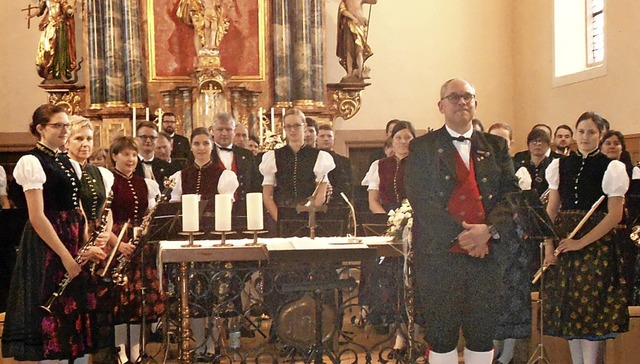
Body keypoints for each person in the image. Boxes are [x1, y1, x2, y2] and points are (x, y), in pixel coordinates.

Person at [405, 78, 519, 364]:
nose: (461, 102)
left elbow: (511, 193)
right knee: (442, 335)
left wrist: (488, 231)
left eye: (467, 96)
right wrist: (463, 237)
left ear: (476, 104)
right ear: (441, 105)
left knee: (482, 334)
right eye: (454, 97)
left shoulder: (496, 146)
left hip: (487, 256)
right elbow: (421, 200)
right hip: (439, 257)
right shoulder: (422, 147)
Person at [2, 104, 106, 362]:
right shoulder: (32, 161)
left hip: (71, 240)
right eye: (57, 125)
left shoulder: (67, 162)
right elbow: (37, 217)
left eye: (66, 125)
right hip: (48, 245)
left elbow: (78, 210)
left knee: (72, 315)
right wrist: (66, 258)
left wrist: (83, 249)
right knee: (50, 319)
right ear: (40, 128)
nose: (64, 130)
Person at [543, 112, 629, 364]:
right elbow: (552, 209)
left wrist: (580, 242)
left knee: (589, 314)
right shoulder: (560, 165)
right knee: (571, 316)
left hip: (594, 247)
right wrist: (549, 245)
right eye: (580, 131)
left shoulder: (612, 167)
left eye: (591, 132)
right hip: (564, 243)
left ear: (601, 135)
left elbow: (614, 215)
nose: (585, 137)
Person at [105, 136, 161, 364]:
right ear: (114, 156)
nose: (130, 159)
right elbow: (100, 220)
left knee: (140, 301)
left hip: (140, 245)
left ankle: (136, 352)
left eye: (133, 155)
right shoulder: (109, 180)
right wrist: (118, 245)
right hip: (116, 243)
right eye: (125, 154)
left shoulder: (143, 182)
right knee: (120, 302)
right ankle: (120, 352)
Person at [489, 122, 532, 364]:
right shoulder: (482, 169)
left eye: (503, 140)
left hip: (512, 242)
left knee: (513, 297)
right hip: (488, 239)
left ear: (511, 143)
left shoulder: (520, 172)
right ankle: (493, 351)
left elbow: (519, 207)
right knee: (493, 298)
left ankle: (508, 355)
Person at [259, 107, 335, 229]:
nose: (292, 130)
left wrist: (306, 218)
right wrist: (280, 219)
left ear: (304, 127)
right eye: (288, 126)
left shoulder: (319, 156)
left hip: (309, 220)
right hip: (280, 218)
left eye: (296, 126)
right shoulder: (273, 157)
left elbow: (320, 194)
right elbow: (267, 195)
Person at [210, 113, 261, 216]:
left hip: (243, 212)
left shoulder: (246, 155)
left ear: (233, 131)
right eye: (220, 129)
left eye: (228, 129)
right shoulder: (206, 154)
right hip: (214, 212)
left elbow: (255, 185)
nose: (224, 133)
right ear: (213, 131)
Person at [363, 121, 415, 213]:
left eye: (407, 137)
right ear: (392, 141)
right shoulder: (379, 165)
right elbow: (373, 201)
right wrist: (388, 219)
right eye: (398, 138)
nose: (403, 141)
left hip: (416, 218)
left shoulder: (423, 164)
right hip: (386, 217)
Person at [31, 0, 78, 82]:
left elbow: (66, 7)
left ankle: (60, 72)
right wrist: (31, 15)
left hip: (60, 27)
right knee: (47, 48)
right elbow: (40, 9)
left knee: (60, 49)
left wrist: (70, 11)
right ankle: (48, 70)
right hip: (50, 26)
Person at [336, 0, 377, 81]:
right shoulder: (345, 1)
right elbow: (343, 11)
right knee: (349, 50)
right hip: (349, 24)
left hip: (359, 25)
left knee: (359, 49)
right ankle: (350, 72)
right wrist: (353, 18)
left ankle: (360, 72)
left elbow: (373, 1)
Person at [317, 123, 353, 205]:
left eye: (329, 136)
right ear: (316, 139)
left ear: (334, 139)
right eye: (322, 136)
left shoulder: (344, 161)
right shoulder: (311, 159)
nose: (326, 139)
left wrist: (332, 190)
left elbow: (348, 187)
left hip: (337, 203)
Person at [515, 128, 553, 198]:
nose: (538, 144)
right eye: (534, 141)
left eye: (542, 141)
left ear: (548, 146)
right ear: (528, 145)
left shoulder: (552, 166)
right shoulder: (521, 167)